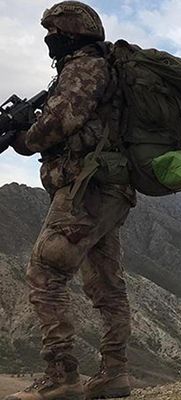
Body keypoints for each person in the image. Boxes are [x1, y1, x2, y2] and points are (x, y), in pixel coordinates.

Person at [6, 2, 135, 399]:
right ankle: (114, 373)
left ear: (73, 33)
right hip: (108, 189)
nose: (49, 39)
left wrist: (23, 138)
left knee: (45, 274)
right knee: (106, 285)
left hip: (86, 189)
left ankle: (62, 376)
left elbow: (59, 122)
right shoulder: (102, 68)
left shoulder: (84, 68)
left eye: (54, 32)